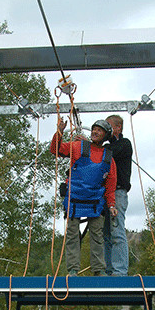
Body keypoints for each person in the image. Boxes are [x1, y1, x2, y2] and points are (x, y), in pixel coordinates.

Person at [50, 116, 117, 276]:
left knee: (97, 236)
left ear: (105, 135)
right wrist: (59, 132)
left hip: (95, 202)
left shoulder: (108, 158)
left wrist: (112, 205)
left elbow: (110, 185)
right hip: (74, 199)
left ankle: (98, 270)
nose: (95, 132)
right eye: (94, 129)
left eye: (99, 130)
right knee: (72, 234)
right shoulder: (78, 147)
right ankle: (73, 269)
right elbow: (56, 150)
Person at [102, 114, 133, 276]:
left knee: (116, 231)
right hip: (106, 194)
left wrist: (91, 145)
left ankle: (119, 271)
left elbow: (107, 153)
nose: (105, 129)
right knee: (106, 233)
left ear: (118, 127)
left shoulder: (124, 144)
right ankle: (109, 270)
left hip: (118, 192)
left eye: (108, 126)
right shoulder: (107, 147)